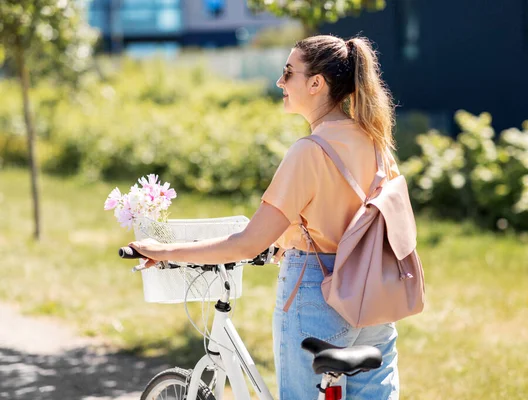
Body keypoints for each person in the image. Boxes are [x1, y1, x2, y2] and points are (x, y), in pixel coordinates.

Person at [130, 34, 401, 399]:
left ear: (316, 83)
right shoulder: (376, 143)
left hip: (317, 297)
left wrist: (163, 251)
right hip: (374, 295)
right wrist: (288, 240)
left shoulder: (309, 152)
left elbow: (246, 243)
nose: (280, 82)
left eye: (289, 73)